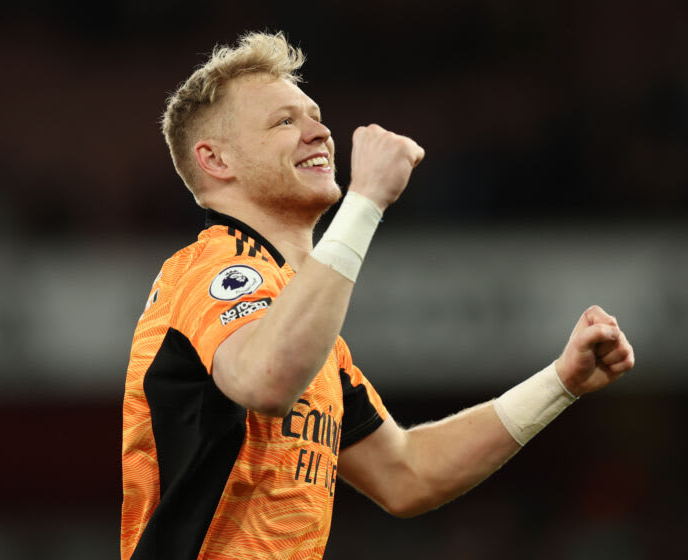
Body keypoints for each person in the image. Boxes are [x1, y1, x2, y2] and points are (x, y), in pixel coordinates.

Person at [120, 31, 635, 560]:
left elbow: (407, 473)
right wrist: (365, 200)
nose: (320, 133)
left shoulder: (309, 339)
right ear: (216, 160)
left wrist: (561, 382)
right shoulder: (210, 270)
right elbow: (265, 380)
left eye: (315, 116)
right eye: (283, 121)